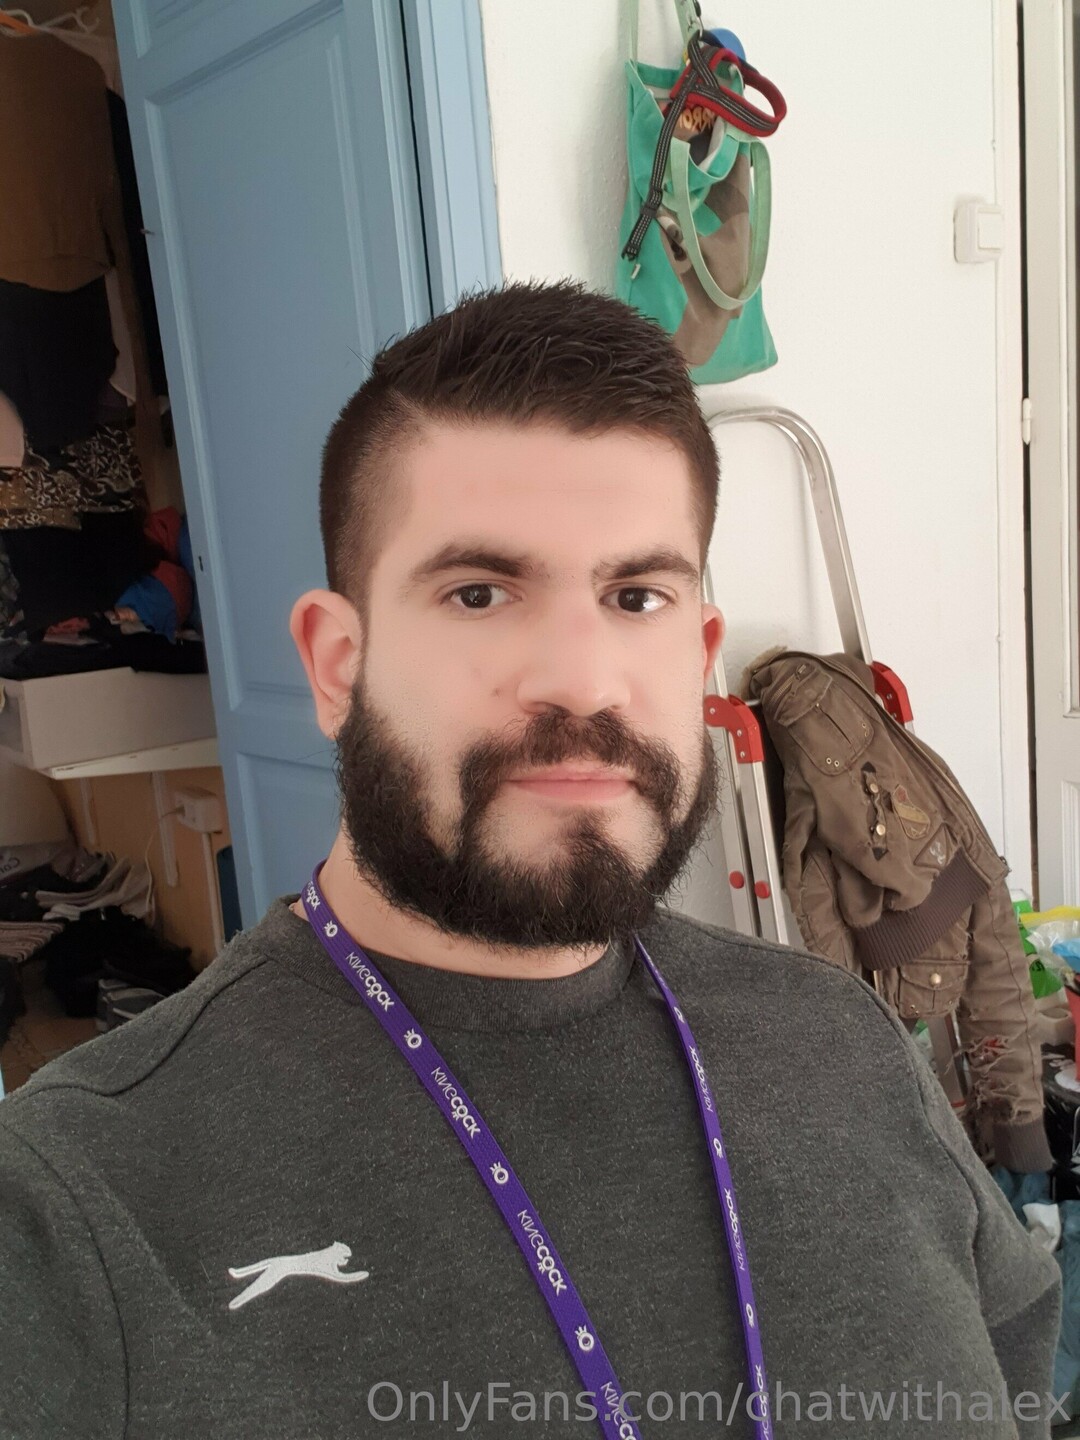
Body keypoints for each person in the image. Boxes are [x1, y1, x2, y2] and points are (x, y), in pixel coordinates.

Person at [0, 281, 1063, 1440]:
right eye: (479, 592)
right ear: (338, 665)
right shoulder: (77, 1204)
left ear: (698, 652)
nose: (583, 680)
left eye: (637, 596)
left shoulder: (841, 1039)